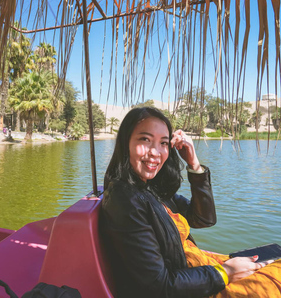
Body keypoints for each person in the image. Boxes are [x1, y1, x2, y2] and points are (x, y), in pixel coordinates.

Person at [99, 107, 281, 298]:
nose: (155, 152)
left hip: (198, 273)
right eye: (145, 139)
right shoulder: (125, 200)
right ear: (125, 142)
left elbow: (203, 219)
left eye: (163, 143)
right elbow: (159, 286)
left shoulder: (151, 188)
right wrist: (224, 272)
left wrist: (193, 164)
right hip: (190, 286)